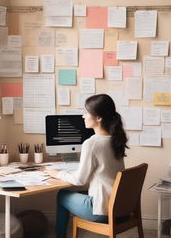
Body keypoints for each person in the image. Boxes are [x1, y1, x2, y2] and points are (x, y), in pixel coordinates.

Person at [46, 94, 129, 238]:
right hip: (121, 208)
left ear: (99, 118)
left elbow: (80, 180)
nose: (83, 116)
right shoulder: (115, 139)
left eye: (87, 113)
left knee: (62, 195)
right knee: (76, 193)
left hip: (102, 211)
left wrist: (56, 173)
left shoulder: (92, 143)